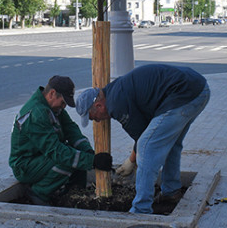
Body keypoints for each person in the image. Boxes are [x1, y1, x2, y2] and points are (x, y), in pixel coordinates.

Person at [76, 64, 210, 214]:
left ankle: (141, 209)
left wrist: (131, 161)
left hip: (183, 94)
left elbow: (142, 139)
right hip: (198, 88)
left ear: (99, 105)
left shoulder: (115, 105)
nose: (98, 121)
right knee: (170, 144)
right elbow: (147, 130)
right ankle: (171, 192)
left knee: (147, 149)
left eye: (94, 118)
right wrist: (132, 159)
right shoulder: (114, 90)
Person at [9, 75, 112, 205]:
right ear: (52, 94)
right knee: (68, 159)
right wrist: (92, 161)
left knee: (76, 155)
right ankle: (39, 192)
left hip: (40, 158)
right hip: (25, 166)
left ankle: (74, 192)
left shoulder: (52, 108)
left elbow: (71, 130)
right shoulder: (37, 113)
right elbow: (55, 151)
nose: (64, 107)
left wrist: (88, 152)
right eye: (63, 102)